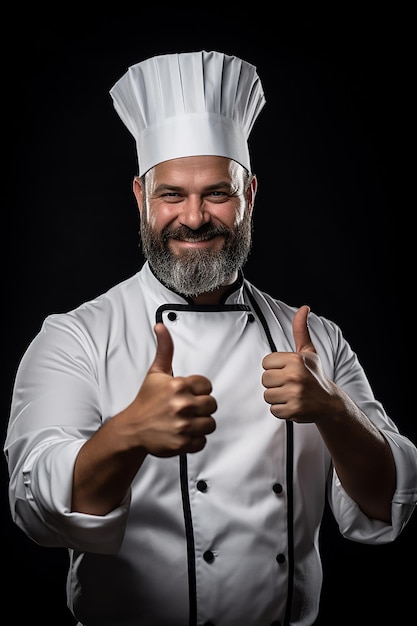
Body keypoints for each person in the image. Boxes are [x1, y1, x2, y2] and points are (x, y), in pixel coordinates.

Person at [4, 50, 417, 626]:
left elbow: (384, 505)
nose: (194, 217)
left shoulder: (315, 340)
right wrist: (127, 435)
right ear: (140, 198)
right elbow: (38, 509)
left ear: (249, 193)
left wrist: (334, 412)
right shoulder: (76, 337)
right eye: (171, 194)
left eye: (217, 194)